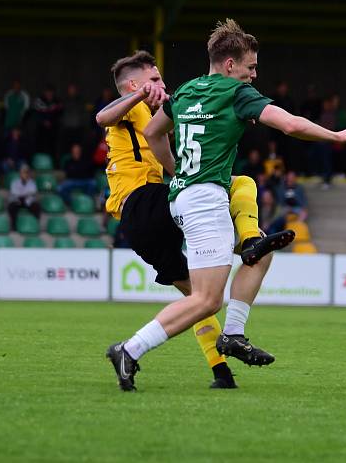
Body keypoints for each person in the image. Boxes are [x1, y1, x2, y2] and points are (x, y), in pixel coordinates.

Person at [107, 20, 346, 392]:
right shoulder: (235, 94)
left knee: (258, 250)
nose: (254, 74)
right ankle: (129, 349)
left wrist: (176, 170)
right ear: (230, 65)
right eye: (251, 67)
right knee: (206, 299)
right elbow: (289, 125)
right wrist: (336, 135)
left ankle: (233, 333)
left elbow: (152, 133)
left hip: (182, 198)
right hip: (204, 203)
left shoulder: (185, 91)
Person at [96, 50, 295, 390]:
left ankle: (220, 372)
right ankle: (249, 242)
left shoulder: (160, 108)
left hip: (145, 223)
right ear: (133, 84)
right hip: (143, 202)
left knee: (199, 301)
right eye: (154, 79)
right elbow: (102, 117)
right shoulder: (130, 108)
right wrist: (140, 96)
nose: (161, 84)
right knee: (241, 183)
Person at [8, 165, 41, 230]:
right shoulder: (14, 182)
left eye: (27, 173)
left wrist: (24, 194)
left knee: (37, 206)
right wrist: (26, 194)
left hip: (28, 201)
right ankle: (14, 226)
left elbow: (33, 192)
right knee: (11, 207)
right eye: (23, 173)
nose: (25, 175)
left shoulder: (32, 183)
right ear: (20, 174)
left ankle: (35, 224)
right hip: (17, 201)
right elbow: (14, 193)